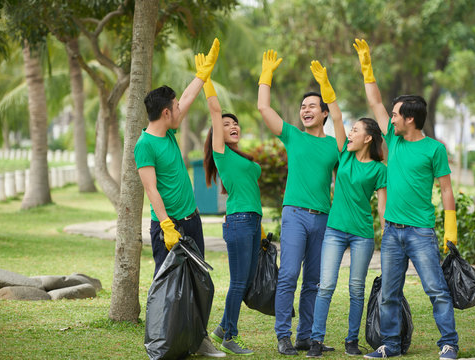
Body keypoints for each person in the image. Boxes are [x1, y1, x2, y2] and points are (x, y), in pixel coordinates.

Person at [353, 39, 459, 360]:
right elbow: (374, 102)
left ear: (410, 119)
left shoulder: (434, 149)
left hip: (420, 232)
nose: (392, 119)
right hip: (392, 232)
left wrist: (451, 228)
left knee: (437, 291)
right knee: (389, 293)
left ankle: (449, 344)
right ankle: (391, 346)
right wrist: (367, 67)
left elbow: (445, 190)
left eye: (397, 115)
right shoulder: (394, 143)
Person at [134, 39, 225, 358]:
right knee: (169, 290)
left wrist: (202, 75)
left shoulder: (169, 131)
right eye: (174, 108)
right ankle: (166, 342)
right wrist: (166, 225)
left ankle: (199, 339)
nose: (179, 110)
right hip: (168, 227)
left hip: (192, 220)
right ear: (164, 112)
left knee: (199, 284)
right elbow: (151, 189)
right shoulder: (144, 145)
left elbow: (185, 98)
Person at [257, 50, 339, 356]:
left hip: (323, 219)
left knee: (314, 281)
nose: (305, 110)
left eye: (312, 106)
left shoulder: (333, 146)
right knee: (289, 275)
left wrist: (328, 88)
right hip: (294, 215)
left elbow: (348, 172)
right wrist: (266, 75)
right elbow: (263, 107)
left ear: (324, 113)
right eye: (302, 106)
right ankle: (283, 336)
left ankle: (305, 336)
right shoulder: (292, 135)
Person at [305, 60, 387, 358]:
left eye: (355, 131)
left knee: (356, 289)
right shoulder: (345, 156)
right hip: (335, 231)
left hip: (363, 234)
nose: (349, 134)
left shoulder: (379, 170)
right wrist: (327, 88)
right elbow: (337, 118)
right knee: (325, 285)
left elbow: (381, 204)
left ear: (368, 138)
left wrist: (387, 231)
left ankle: (351, 341)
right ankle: (316, 340)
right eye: (349, 131)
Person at [197, 52, 263, 356]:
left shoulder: (242, 157)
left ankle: (222, 328)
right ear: (218, 133)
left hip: (253, 222)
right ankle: (229, 336)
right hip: (238, 221)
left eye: (235, 123)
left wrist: (260, 227)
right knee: (238, 282)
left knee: (247, 281)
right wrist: (206, 78)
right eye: (226, 124)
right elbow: (214, 108)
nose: (233, 125)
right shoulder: (221, 153)